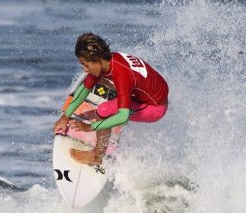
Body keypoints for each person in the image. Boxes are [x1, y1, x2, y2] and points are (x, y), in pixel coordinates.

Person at [54, 32, 169, 166]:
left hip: (154, 107)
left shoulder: (121, 73)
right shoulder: (106, 62)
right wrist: (65, 117)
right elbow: (84, 89)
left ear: (96, 59)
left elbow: (123, 116)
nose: (85, 70)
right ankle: (110, 114)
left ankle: (97, 155)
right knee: (101, 83)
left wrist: (90, 127)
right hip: (142, 93)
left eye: (85, 64)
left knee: (104, 110)